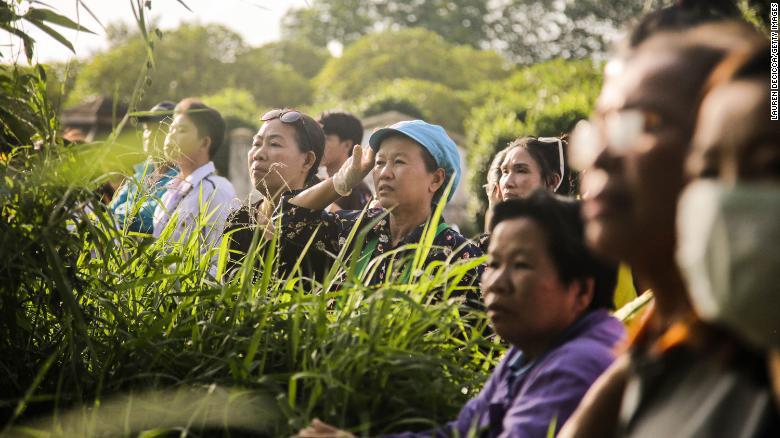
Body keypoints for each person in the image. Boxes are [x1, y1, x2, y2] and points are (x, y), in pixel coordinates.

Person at [558, 21, 771, 438]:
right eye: (604, 123)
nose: (599, 157)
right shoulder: (653, 356)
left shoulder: (755, 379)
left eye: (647, 123)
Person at [298, 192, 625, 437]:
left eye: (521, 265)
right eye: (494, 264)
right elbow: (460, 432)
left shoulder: (580, 364)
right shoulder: (528, 351)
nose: (496, 282)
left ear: (581, 291)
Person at [279, 119, 483, 289]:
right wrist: (339, 182)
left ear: (436, 179)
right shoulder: (355, 231)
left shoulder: (459, 257)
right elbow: (288, 220)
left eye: (399, 162)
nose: (384, 173)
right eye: (379, 163)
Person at [223, 108, 325, 277]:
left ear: (307, 160)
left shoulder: (324, 225)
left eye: (274, 144)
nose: (258, 154)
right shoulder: (239, 221)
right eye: (256, 143)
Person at [152, 98, 237, 250]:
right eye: (171, 128)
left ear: (205, 143)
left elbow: (218, 259)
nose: (171, 135)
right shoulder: (169, 190)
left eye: (181, 130)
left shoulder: (216, 190)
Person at [110, 101, 178, 234]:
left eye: (159, 129)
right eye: (147, 128)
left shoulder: (179, 177)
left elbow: (148, 220)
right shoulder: (141, 172)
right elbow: (111, 209)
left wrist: (118, 216)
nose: (149, 135)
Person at [318, 110, 372, 212]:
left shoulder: (357, 188)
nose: (319, 144)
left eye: (325, 139)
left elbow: (365, 225)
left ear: (347, 145)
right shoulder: (317, 183)